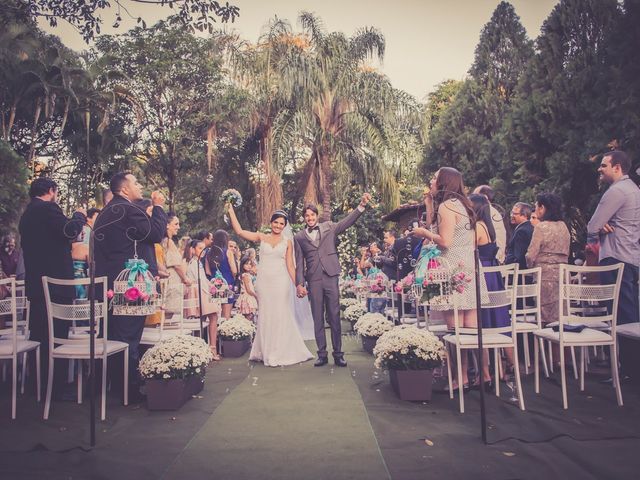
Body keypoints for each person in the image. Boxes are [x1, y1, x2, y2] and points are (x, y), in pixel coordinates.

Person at [94, 172, 167, 402]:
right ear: (124, 190)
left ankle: (114, 388)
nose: (140, 185)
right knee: (129, 338)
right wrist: (158, 207)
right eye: (136, 182)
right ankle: (129, 390)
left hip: (107, 285)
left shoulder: (105, 213)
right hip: (128, 285)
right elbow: (155, 234)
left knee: (114, 336)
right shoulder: (129, 210)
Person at [18, 177, 86, 398]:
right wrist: (79, 216)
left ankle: (36, 384)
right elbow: (68, 231)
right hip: (56, 285)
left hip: (36, 285)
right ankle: (54, 387)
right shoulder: (48, 209)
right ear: (51, 190)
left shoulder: (27, 215)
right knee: (57, 336)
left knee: (39, 334)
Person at [413, 168, 477, 390]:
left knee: (454, 331)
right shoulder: (464, 205)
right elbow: (439, 227)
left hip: (452, 271)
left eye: (434, 177)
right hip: (468, 269)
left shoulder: (447, 206)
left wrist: (423, 234)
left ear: (443, 182)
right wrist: (429, 204)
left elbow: (444, 240)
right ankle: (467, 376)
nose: (431, 179)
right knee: (468, 329)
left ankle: (459, 378)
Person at [227, 204, 312, 366]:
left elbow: (290, 266)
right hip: (264, 283)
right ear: (271, 222)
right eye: (276, 222)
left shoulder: (288, 242)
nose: (278, 226)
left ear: (285, 225)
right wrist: (231, 212)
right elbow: (240, 232)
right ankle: (264, 350)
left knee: (280, 313)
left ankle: (279, 351)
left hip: (281, 283)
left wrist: (298, 286)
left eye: (282, 223)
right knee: (266, 314)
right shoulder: (261, 237)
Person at [294, 193, 372, 367]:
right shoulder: (299, 237)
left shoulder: (329, 226)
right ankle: (322, 354)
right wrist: (299, 283)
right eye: (307, 216)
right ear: (304, 218)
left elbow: (345, 222)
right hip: (313, 279)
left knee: (334, 316)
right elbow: (299, 262)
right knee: (317, 317)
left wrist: (360, 206)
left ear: (316, 216)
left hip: (331, 276)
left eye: (312, 215)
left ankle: (338, 354)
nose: (310, 218)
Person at [586, 150, 640, 326]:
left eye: (603, 165)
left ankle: (626, 355)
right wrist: (602, 227)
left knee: (621, 319)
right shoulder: (634, 189)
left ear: (617, 168)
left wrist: (598, 229)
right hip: (631, 259)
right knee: (631, 315)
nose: (599, 169)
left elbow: (592, 227)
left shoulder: (617, 191)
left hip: (615, 259)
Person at [470, 193, 513, 386]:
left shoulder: (477, 227)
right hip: (491, 274)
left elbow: (466, 250)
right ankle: (500, 369)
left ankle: (486, 373)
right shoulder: (488, 227)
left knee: (482, 324)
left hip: (483, 275)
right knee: (497, 320)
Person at [525, 192, 570, 326]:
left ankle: (547, 346)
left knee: (545, 317)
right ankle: (562, 345)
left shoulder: (541, 227)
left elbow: (530, 254)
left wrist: (530, 268)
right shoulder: (564, 226)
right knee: (561, 316)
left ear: (542, 208)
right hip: (563, 275)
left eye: (536, 206)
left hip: (545, 275)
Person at [186, 239, 221, 360]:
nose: (203, 251)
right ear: (193, 249)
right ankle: (211, 349)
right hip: (199, 292)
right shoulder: (193, 263)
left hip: (204, 290)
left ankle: (209, 348)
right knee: (212, 316)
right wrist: (210, 289)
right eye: (200, 248)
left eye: (204, 249)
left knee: (212, 316)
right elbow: (198, 280)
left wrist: (212, 285)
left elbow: (204, 279)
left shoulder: (198, 263)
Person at [162, 214, 192, 319]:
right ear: (167, 225)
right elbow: (176, 265)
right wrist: (185, 279)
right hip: (172, 280)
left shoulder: (164, 240)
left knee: (165, 313)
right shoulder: (169, 242)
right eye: (176, 224)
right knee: (167, 313)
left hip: (168, 279)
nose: (178, 227)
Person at [206, 229, 237, 320]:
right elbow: (234, 270)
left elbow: (207, 271)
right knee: (226, 314)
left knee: (215, 314)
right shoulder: (228, 252)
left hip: (214, 284)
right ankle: (224, 333)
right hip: (227, 282)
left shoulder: (209, 253)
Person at [473, 185, 507, 263]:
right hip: (495, 257)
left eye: (475, 195)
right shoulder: (493, 211)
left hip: (491, 259)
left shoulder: (488, 213)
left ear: (484, 197)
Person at [505, 202, 534, 270]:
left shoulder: (522, 231)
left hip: (518, 274)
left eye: (515, 214)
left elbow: (518, 257)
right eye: (511, 213)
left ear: (525, 216)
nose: (511, 215)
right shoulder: (529, 227)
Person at [236, 255, 258, 322]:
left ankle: (248, 329)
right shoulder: (245, 275)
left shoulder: (247, 275)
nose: (249, 266)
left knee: (249, 316)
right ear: (242, 265)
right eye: (246, 264)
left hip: (248, 297)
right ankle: (248, 330)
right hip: (247, 297)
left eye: (250, 264)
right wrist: (256, 296)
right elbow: (248, 290)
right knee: (248, 317)